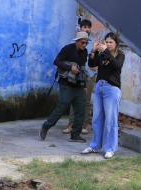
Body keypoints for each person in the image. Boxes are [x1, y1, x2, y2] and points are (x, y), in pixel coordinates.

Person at [39, 29, 89, 141]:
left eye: (86, 43)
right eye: (82, 42)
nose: (84, 45)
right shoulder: (68, 49)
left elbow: (83, 69)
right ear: (77, 41)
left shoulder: (84, 52)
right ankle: (46, 126)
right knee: (61, 109)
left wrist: (84, 85)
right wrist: (70, 68)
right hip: (66, 84)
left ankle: (75, 134)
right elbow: (56, 61)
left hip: (79, 85)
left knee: (81, 110)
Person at [84, 30, 126, 160]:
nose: (108, 44)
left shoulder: (120, 54)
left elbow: (116, 66)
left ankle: (110, 148)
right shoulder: (103, 54)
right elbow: (91, 64)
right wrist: (94, 51)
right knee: (97, 118)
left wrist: (106, 52)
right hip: (99, 87)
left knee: (110, 120)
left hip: (111, 89)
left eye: (110, 42)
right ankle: (95, 145)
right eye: (106, 42)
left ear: (116, 43)